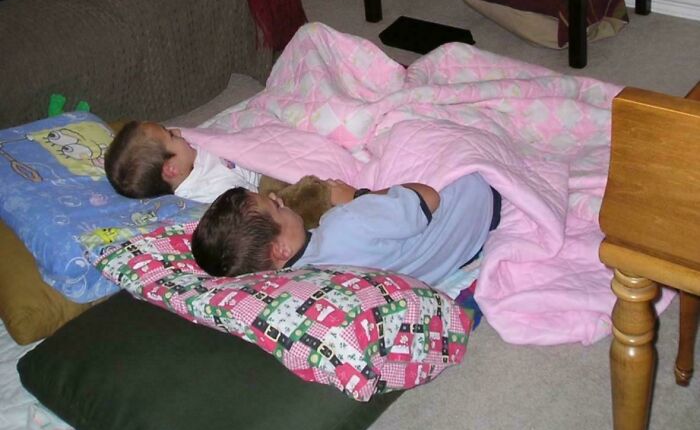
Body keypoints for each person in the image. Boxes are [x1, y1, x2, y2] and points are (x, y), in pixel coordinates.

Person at [191, 174, 502, 287]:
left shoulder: (307, 279)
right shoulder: (345, 223)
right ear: (279, 250)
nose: (277, 197)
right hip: (474, 201)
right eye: (274, 206)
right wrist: (356, 195)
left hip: (447, 259)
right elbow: (428, 197)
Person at [104, 121, 259, 202]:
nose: (178, 131)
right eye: (171, 135)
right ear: (172, 169)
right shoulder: (215, 190)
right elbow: (256, 199)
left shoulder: (187, 157)